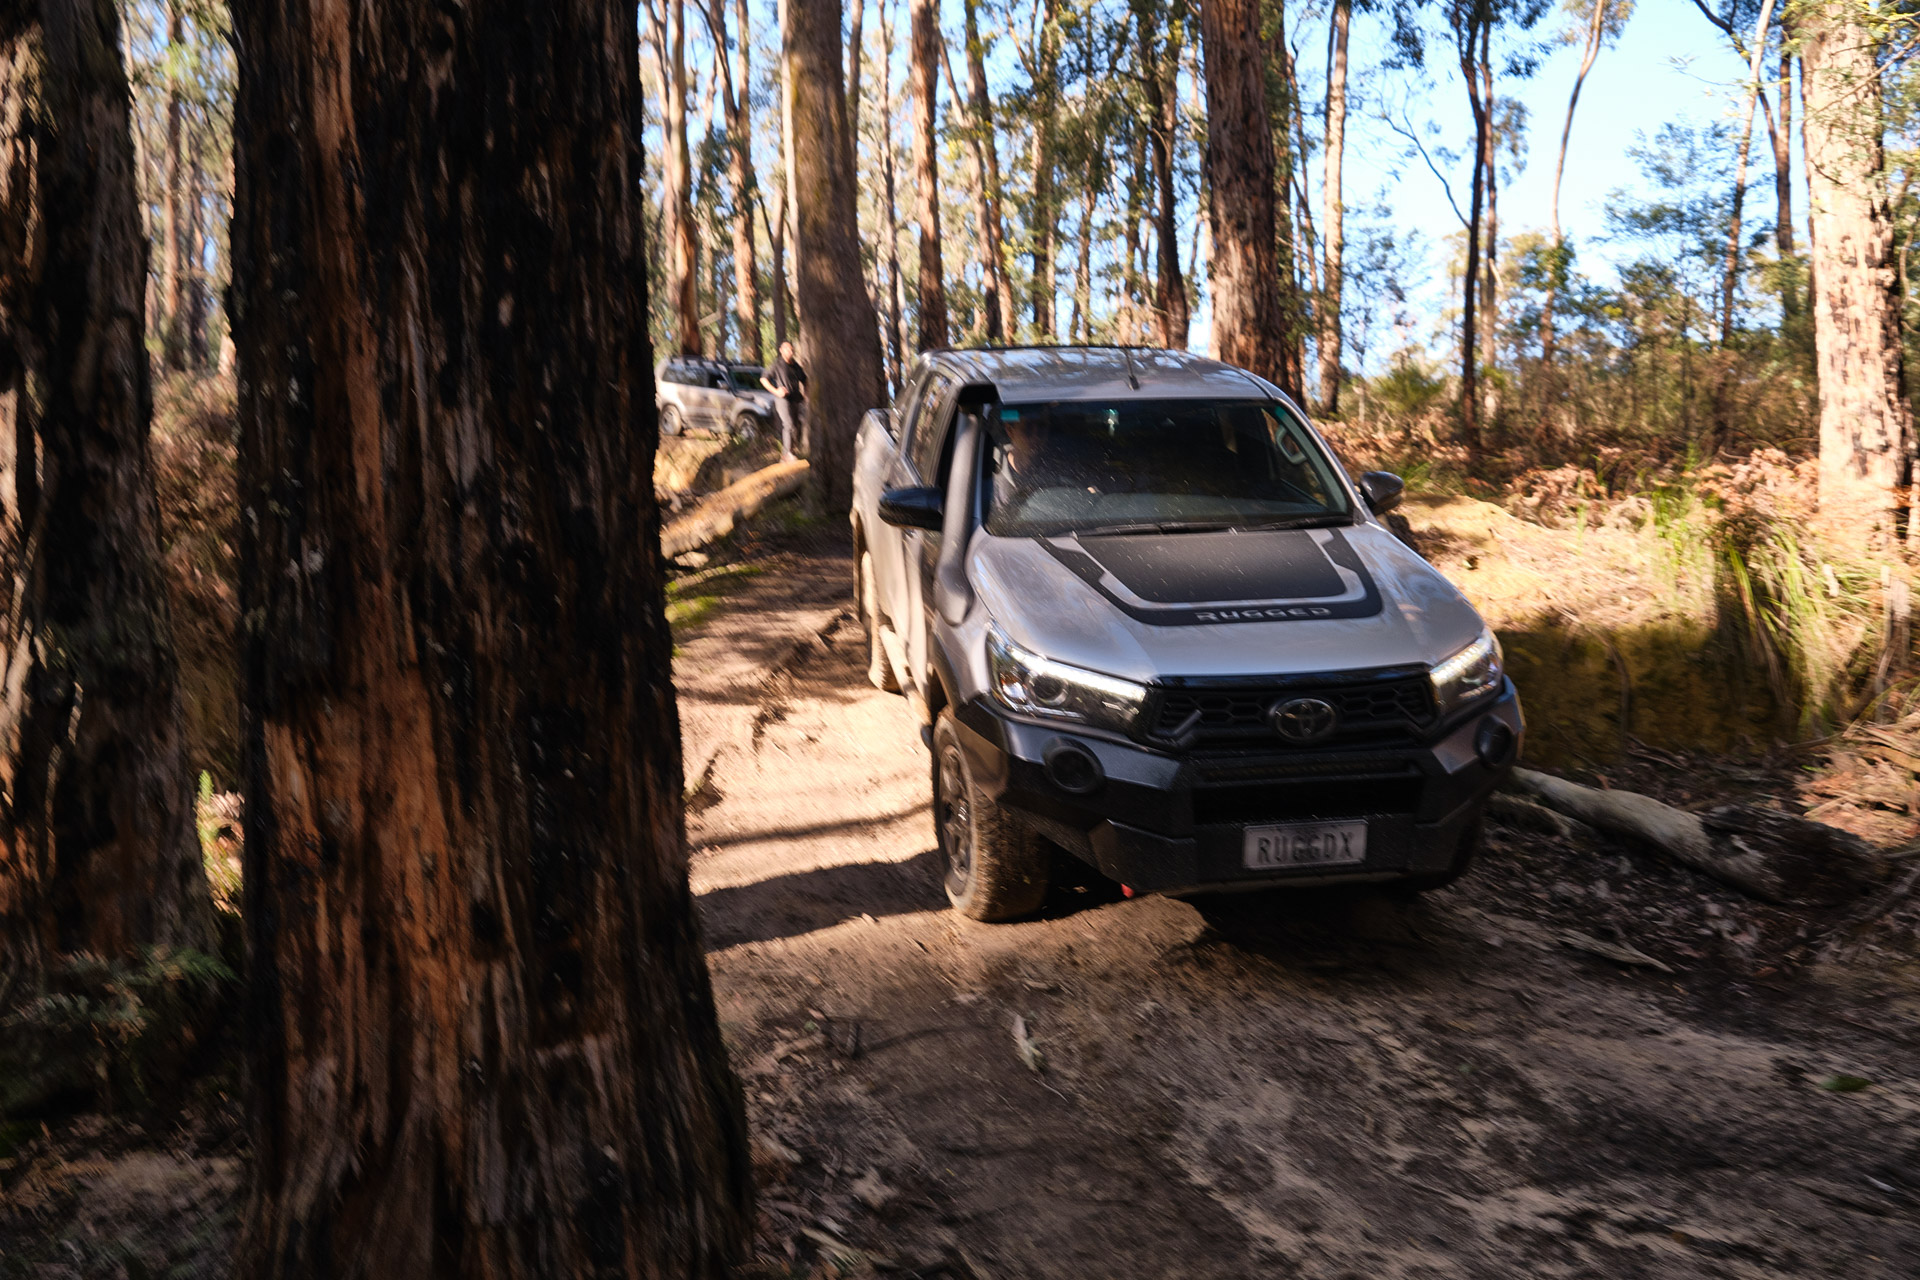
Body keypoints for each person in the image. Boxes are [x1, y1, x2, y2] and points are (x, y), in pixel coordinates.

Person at [761, 340, 808, 462]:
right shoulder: (777, 365)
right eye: (787, 349)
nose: (790, 351)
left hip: (795, 400)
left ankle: (788, 454)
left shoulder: (796, 366)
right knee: (788, 424)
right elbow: (763, 379)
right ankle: (787, 454)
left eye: (791, 349)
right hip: (782, 400)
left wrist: (806, 395)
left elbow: (805, 380)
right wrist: (776, 391)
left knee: (796, 425)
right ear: (781, 350)